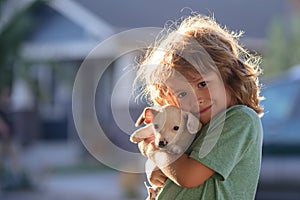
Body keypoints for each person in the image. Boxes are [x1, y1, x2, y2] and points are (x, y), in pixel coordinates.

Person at [133, 13, 264, 200]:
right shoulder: (190, 130)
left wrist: (154, 151)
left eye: (202, 84)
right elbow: (169, 172)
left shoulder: (240, 120)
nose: (197, 100)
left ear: (228, 76)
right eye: (183, 93)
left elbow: (188, 176)